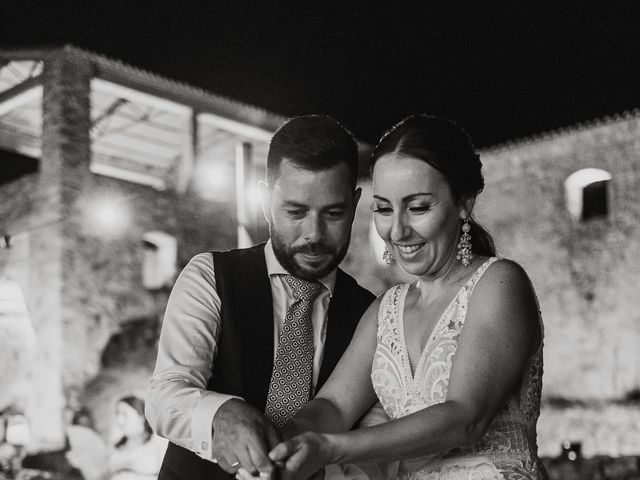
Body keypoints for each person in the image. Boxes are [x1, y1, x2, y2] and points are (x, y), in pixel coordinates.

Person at [264, 114, 548, 480]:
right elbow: (333, 405)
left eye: (417, 207)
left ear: (464, 202)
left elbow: (465, 417)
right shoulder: (385, 309)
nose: (397, 231)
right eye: (384, 208)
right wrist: (281, 443)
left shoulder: (500, 283)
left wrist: (332, 448)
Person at [145, 115, 375, 480]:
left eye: (333, 213)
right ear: (267, 199)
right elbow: (164, 396)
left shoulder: (371, 314)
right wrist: (219, 414)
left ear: (355, 202)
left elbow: (368, 447)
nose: (313, 234)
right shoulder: (210, 276)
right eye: (295, 212)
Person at [108, 396, 167, 480]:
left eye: (125, 414)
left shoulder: (157, 442)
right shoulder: (117, 447)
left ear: (141, 416)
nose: (120, 420)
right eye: (117, 414)